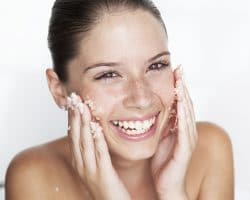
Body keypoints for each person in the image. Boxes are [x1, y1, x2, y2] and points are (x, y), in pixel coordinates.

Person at [5, 0, 234, 199]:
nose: (142, 98)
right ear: (58, 89)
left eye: (156, 65)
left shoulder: (209, 150)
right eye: (108, 75)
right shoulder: (34, 176)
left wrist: (173, 192)